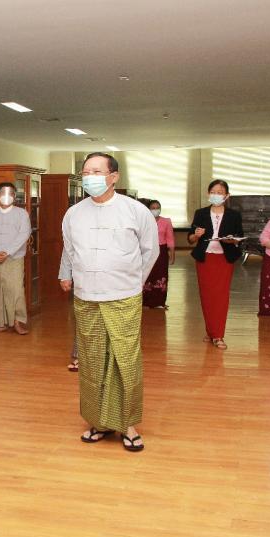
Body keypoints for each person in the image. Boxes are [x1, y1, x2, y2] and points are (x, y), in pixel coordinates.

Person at [59, 152, 159, 452]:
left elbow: (150, 251)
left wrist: (133, 282)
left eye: (97, 171)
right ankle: (98, 422)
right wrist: (68, 275)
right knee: (92, 361)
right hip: (86, 297)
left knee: (124, 359)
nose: (90, 176)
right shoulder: (73, 214)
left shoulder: (135, 211)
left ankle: (128, 424)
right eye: (86, 171)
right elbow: (69, 250)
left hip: (123, 297)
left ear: (114, 177)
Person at [187, 180, 244, 350]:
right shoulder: (201, 213)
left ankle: (218, 335)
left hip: (224, 259)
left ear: (227, 195)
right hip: (205, 259)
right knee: (206, 296)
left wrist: (231, 240)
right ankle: (211, 330)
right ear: (208, 194)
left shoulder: (234, 215)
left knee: (221, 296)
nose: (216, 195)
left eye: (220, 192)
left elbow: (239, 237)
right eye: (213, 192)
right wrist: (196, 235)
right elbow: (190, 239)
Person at [0, 182, 31, 335]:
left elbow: (24, 234)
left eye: (10, 193)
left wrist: (7, 252)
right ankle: (0, 323)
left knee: (16, 290)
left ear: (14, 196)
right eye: (3, 193)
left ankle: (17, 322)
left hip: (14, 258)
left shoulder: (22, 214)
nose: (6, 196)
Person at [142, 200, 175, 308]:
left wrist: (172, 254)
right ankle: (146, 301)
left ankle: (159, 302)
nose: (155, 210)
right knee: (148, 274)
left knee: (161, 274)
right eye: (153, 208)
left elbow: (170, 238)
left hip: (162, 251)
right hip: (148, 251)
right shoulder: (144, 221)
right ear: (149, 209)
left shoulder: (166, 221)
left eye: (157, 208)